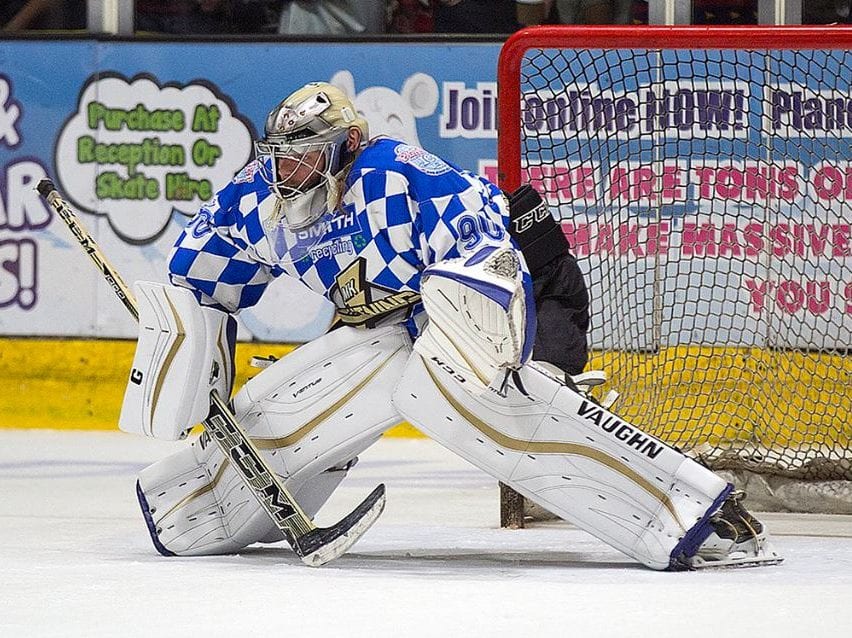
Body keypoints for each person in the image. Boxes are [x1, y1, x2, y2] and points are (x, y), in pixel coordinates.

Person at [119, 81, 780, 570]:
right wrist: (192, 354)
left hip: (526, 283)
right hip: (405, 318)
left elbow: (486, 242)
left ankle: (695, 515)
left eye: (306, 156)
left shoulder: (396, 174)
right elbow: (198, 275)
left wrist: (479, 345)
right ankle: (198, 509)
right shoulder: (256, 200)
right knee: (303, 395)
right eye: (279, 158)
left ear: (350, 145)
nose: (288, 173)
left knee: (471, 397)